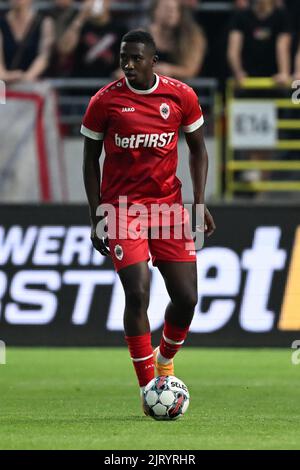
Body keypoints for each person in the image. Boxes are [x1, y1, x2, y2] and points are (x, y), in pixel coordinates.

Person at [80, 30, 215, 415]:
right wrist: (96, 214)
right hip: (122, 210)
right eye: (124, 57)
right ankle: (148, 388)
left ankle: (165, 362)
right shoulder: (104, 102)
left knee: (187, 297)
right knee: (137, 292)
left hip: (168, 209)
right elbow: (90, 160)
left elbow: (198, 150)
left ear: (153, 60)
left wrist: (199, 202)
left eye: (137, 58)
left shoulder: (180, 96)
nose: (128, 64)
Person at [227, 0, 292, 85]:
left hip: (274, 79)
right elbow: (233, 50)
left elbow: (283, 47)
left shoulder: (281, 16)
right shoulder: (241, 16)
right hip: (247, 79)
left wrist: (284, 72)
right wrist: (238, 72)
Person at [148, 0, 206, 79]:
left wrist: (169, 70)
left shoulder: (191, 36)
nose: (170, 13)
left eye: (175, 9)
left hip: (179, 87)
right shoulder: (141, 36)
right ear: (155, 11)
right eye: (166, 8)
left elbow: (191, 70)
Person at [0, 0, 54, 83]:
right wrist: (5, 75)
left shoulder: (44, 22)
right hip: (5, 85)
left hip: (33, 85)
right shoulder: (2, 22)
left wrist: (27, 77)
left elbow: (44, 57)